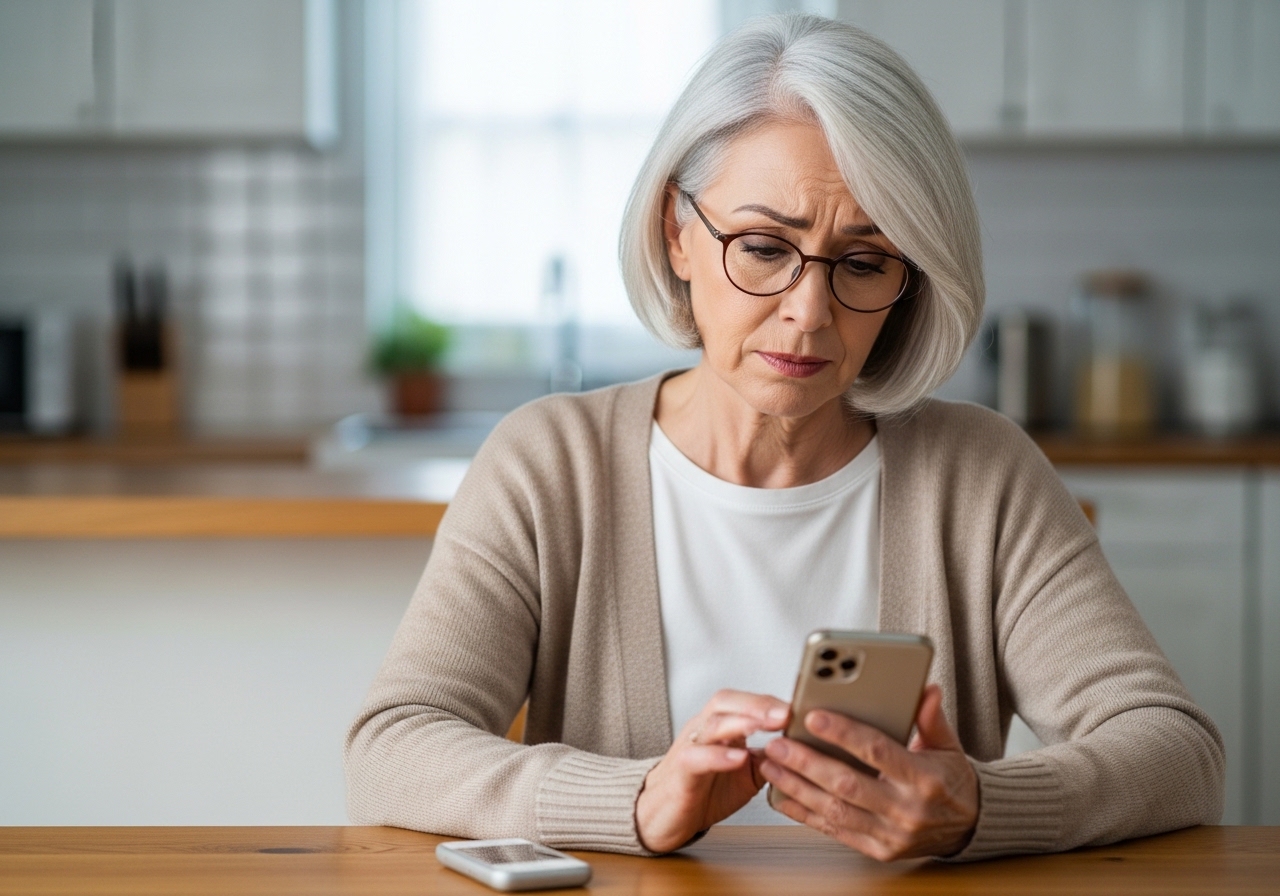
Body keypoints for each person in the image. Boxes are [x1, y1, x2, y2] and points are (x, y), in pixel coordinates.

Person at [345, 14, 1223, 861]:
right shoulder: (550, 465)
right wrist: (637, 799)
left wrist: (979, 809)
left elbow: (1177, 753)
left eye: (864, 263)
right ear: (677, 234)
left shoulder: (981, 476)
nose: (809, 313)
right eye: (765, 247)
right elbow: (392, 748)